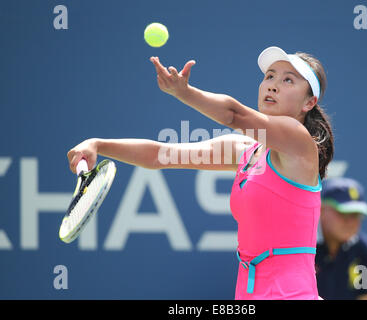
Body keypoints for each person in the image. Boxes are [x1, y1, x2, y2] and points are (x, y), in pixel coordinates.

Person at [67, 46, 334, 300]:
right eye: (269, 76)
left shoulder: (300, 142)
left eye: (289, 80)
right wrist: (99, 145)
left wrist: (184, 92)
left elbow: (233, 115)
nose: (273, 84)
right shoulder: (244, 151)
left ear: (309, 102)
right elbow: (160, 156)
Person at [315, 177, 367, 300]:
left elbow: (363, 295)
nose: (351, 222)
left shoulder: (362, 249)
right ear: (321, 209)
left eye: (356, 214)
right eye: (343, 213)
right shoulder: (300, 247)